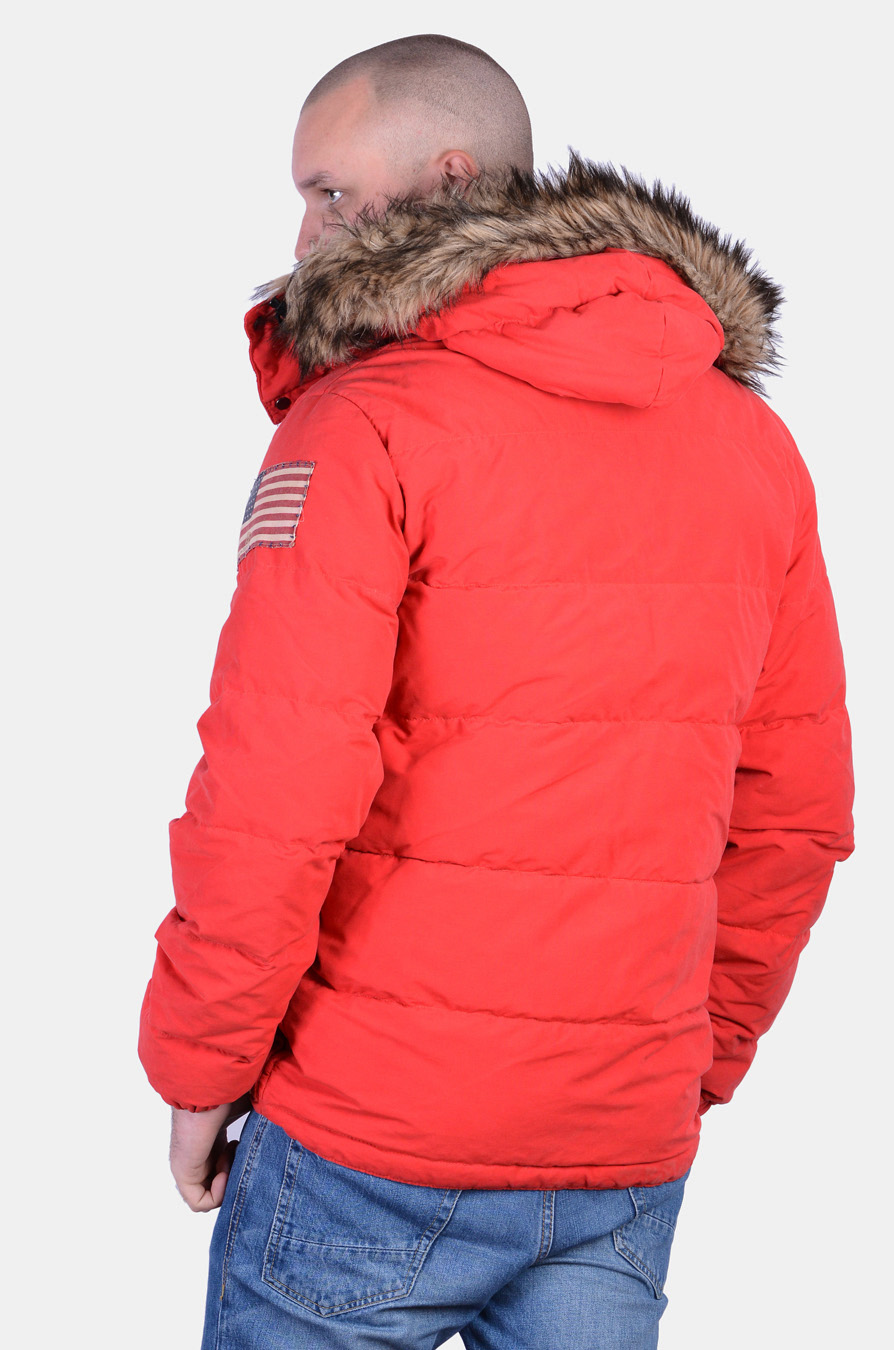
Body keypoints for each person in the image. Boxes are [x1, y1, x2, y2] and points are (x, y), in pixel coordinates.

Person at [138, 32, 855, 1350]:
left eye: (331, 191)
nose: (304, 235)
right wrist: (686, 1066)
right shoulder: (749, 444)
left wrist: (200, 1065)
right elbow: (795, 808)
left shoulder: (366, 424)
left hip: (370, 1131)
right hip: (621, 1145)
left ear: (452, 176)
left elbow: (275, 786)